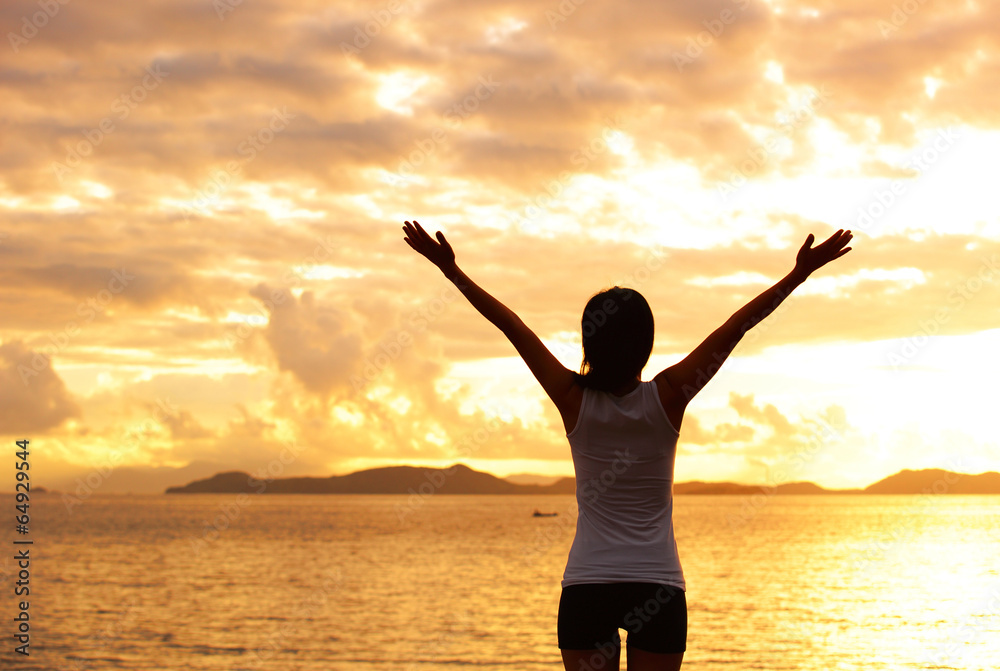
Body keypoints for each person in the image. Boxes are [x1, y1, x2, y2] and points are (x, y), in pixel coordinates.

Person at [401, 220, 853, 670]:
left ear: (590, 342)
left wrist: (452, 272)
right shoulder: (669, 396)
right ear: (646, 344)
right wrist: (797, 275)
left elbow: (512, 328)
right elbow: (736, 328)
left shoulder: (572, 398)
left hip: (587, 586)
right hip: (657, 587)